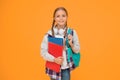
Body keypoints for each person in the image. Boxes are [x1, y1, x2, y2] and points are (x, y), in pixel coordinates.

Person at [40, 7, 80, 80]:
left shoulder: (72, 33)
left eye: (63, 16)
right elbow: (43, 52)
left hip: (65, 68)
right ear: (54, 18)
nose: (61, 18)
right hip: (53, 68)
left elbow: (77, 50)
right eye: (58, 16)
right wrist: (54, 59)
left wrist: (71, 44)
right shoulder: (49, 35)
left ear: (67, 17)